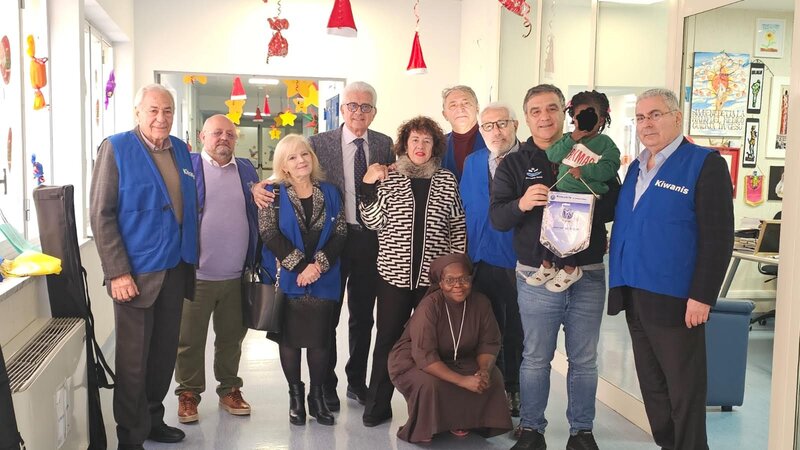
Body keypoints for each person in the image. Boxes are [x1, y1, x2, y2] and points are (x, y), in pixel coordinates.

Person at [252, 81, 394, 411]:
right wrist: (255, 187)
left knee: (363, 316)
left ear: (374, 112)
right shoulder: (319, 142)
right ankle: (325, 386)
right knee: (326, 315)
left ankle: (356, 382)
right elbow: (289, 170)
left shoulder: (384, 144)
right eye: (352, 106)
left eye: (366, 107)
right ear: (342, 109)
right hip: (329, 240)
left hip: (369, 239)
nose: (358, 112)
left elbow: (393, 179)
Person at [608, 88, 734, 450]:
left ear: (677, 118)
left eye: (655, 115)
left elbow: (718, 236)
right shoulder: (636, 167)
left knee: (684, 390)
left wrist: (702, 296)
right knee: (653, 388)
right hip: (635, 291)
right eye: (641, 117)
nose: (647, 123)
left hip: (677, 299)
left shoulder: (704, 164)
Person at [491, 84, 611, 450]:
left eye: (552, 109)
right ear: (526, 119)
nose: (545, 117)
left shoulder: (591, 152)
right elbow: (498, 218)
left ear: (565, 113)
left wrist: (586, 188)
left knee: (585, 360)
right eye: (536, 111)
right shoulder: (514, 163)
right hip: (536, 275)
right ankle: (531, 430)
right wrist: (522, 203)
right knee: (535, 357)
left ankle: (582, 432)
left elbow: (614, 206)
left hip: (587, 272)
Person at [90, 84, 198, 450]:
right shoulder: (116, 148)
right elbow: (101, 214)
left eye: (167, 111)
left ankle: (153, 419)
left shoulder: (181, 150)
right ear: (137, 112)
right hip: (135, 274)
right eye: (153, 110)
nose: (161, 118)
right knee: (133, 361)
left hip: (175, 268)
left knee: (163, 355)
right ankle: (130, 436)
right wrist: (117, 271)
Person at [359, 116, 467, 427]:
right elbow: (372, 222)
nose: (420, 146)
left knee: (430, 345)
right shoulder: (390, 177)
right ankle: (377, 405)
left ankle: (427, 411)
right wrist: (367, 186)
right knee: (387, 340)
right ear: (405, 145)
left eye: (426, 141)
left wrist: (457, 268)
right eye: (415, 140)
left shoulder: (446, 180)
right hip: (392, 278)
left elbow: (457, 225)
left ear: (435, 147)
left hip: (433, 282)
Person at [173, 114, 259, 424]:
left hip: (236, 275)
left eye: (230, 134)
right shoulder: (188, 167)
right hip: (197, 275)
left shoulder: (246, 170)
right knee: (189, 340)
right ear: (202, 136)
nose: (224, 138)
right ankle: (188, 393)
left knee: (231, 339)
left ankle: (229, 389)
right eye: (216, 133)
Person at [259, 134, 348, 426]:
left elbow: (340, 233)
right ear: (283, 165)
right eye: (292, 157)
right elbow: (269, 234)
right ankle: (295, 398)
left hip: (324, 277)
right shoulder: (272, 193)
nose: (301, 161)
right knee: (290, 340)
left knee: (321, 340)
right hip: (289, 277)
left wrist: (317, 266)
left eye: (305, 154)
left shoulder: (330, 192)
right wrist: (300, 267)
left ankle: (317, 397)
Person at [389, 253, 513, 443]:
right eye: (450, 280)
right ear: (440, 283)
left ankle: (465, 420)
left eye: (464, 279)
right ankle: (425, 426)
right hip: (415, 360)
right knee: (430, 384)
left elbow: (489, 343)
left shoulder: (481, 303)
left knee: (493, 377)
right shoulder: (429, 306)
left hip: (461, 357)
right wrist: (463, 381)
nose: (458, 285)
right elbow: (425, 356)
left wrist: (483, 370)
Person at [460, 101, 523, 417]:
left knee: (516, 331)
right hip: (479, 258)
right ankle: (491, 391)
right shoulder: (473, 162)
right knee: (486, 330)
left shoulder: (529, 161)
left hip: (516, 260)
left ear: (515, 125)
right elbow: (464, 210)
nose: (495, 131)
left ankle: (514, 389)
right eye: (488, 126)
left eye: (502, 124)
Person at [530, 90, 621, 292]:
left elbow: (610, 167)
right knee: (549, 229)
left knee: (569, 234)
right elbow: (552, 155)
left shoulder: (605, 144)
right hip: (561, 194)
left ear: (601, 120)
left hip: (585, 198)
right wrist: (572, 138)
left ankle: (570, 269)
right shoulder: (568, 139)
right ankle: (547, 265)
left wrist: (585, 171)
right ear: (573, 118)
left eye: (590, 117)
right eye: (580, 117)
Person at [441, 85, 486, 181]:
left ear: (477, 108)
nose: (460, 109)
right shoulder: (438, 145)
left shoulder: (493, 139)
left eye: (466, 103)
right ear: (445, 115)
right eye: (453, 105)